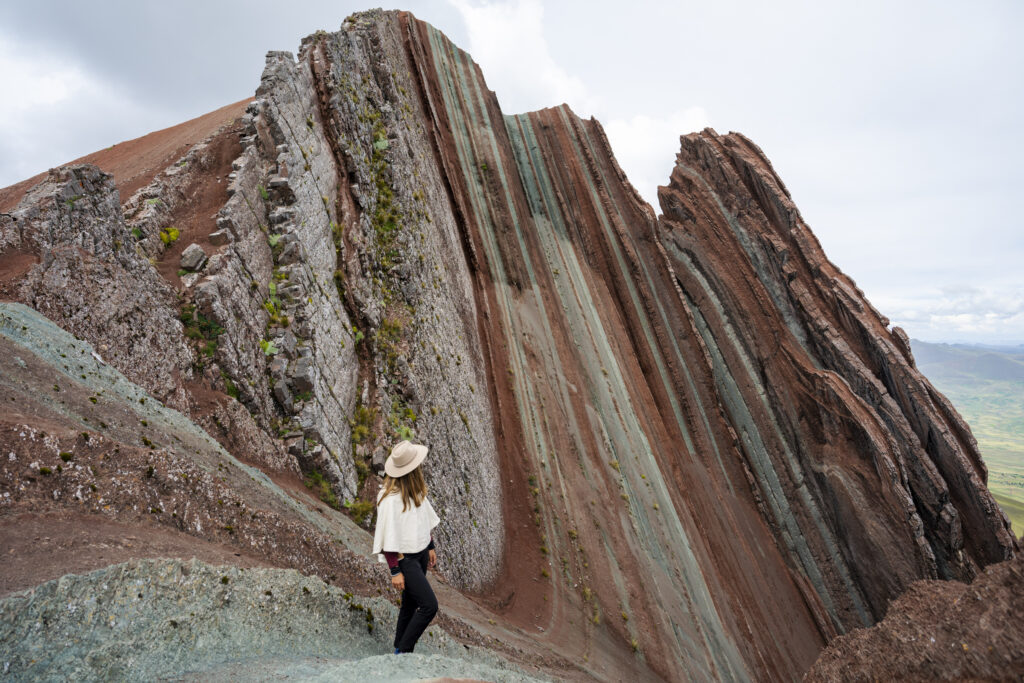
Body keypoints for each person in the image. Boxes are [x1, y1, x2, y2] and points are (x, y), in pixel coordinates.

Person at [372, 440, 441, 654]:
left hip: (419, 555)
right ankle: (404, 650)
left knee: (409, 605)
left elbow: (422, 519)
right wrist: (395, 571)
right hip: (406, 560)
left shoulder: (415, 490)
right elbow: (387, 538)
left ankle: (398, 649)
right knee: (429, 606)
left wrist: (430, 546)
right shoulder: (389, 500)